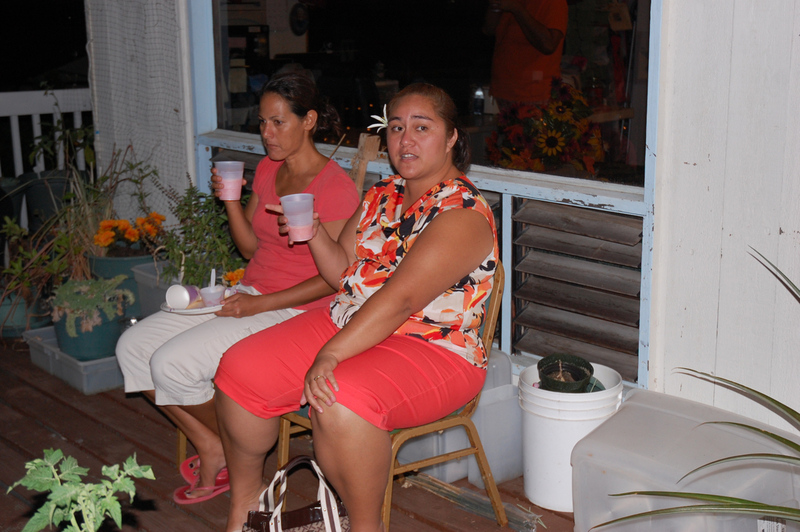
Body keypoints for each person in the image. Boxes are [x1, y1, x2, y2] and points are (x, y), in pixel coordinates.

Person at [214, 83, 499, 532]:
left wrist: (329, 355)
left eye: (422, 128)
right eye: (397, 127)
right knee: (238, 367)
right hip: (349, 321)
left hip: (432, 347)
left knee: (339, 399)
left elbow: (400, 300)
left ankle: (364, 526)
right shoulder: (382, 193)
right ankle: (247, 504)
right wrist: (313, 234)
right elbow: (341, 270)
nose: (406, 140)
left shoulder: (462, 212)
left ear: (451, 139)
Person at [115, 72, 359, 504]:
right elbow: (248, 248)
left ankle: (231, 452)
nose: (267, 134)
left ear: (309, 121)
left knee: (172, 362)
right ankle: (214, 445)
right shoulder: (267, 168)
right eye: (262, 122)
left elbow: (332, 280)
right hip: (247, 293)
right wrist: (230, 199)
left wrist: (259, 304)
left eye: (278, 122)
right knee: (133, 346)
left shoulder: (334, 187)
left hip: (294, 310)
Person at [484, 0, 569, 107]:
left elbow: (548, 45)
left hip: (533, 92)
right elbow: (489, 29)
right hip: (503, 88)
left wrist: (517, 9)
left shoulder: (554, 2)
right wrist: (494, 7)